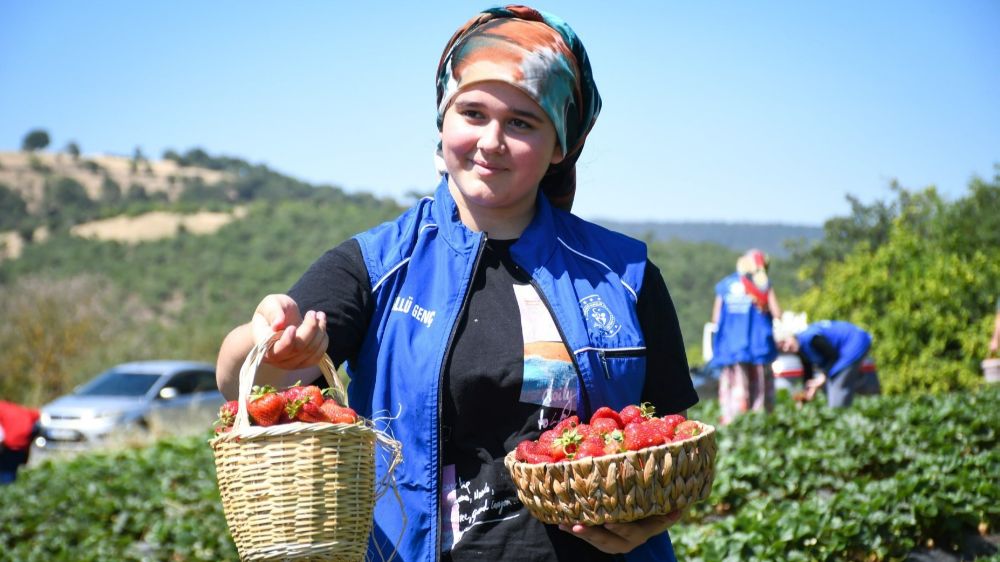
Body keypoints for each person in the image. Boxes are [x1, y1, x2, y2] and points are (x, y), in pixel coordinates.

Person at [216, 5, 698, 561]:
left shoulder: (624, 274)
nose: (491, 140)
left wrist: (655, 516)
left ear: (559, 146)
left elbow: (671, 447)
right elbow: (244, 385)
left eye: (522, 122)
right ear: (443, 123)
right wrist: (266, 337)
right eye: (472, 113)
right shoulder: (378, 264)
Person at [710, 249, 782, 425]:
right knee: (760, 394)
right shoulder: (762, 284)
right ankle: (758, 427)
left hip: (731, 347)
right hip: (758, 346)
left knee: (735, 391)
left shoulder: (725, 285)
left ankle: (735, 426)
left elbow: (715, 318)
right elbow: (777, 313)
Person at [777, 320, 880, 407]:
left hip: (854, 342)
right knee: (831, 383)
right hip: (845, 349)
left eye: (785, 343)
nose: (786, 348)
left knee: (838, 383)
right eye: (782, 348)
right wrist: (806, 393)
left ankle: (839, 417)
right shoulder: (800, 349)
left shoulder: (812, 339)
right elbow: (808, 371)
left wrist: (822, 377)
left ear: (791, 337)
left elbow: (833, 357)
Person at [0, 400, 40, 485]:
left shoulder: (3, 408)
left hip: (9, 447)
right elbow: (37, 415)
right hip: (20, 446)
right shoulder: (17, 409)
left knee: (6, 475)